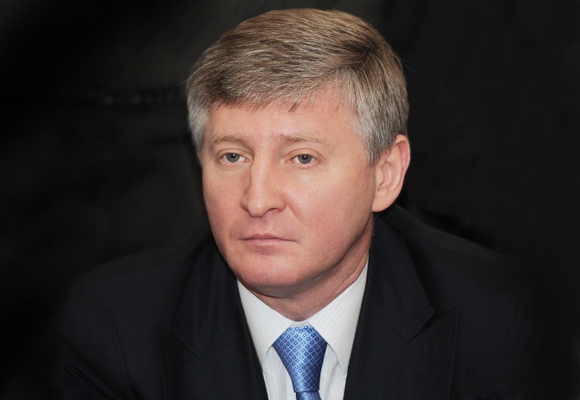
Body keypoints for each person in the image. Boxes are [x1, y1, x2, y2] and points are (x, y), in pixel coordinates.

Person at [55, 8, 536, 400]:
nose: (257, 199)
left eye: (302, 158)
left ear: (385, 174)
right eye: (233, 156)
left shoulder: (500, 320)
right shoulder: (112, 329)